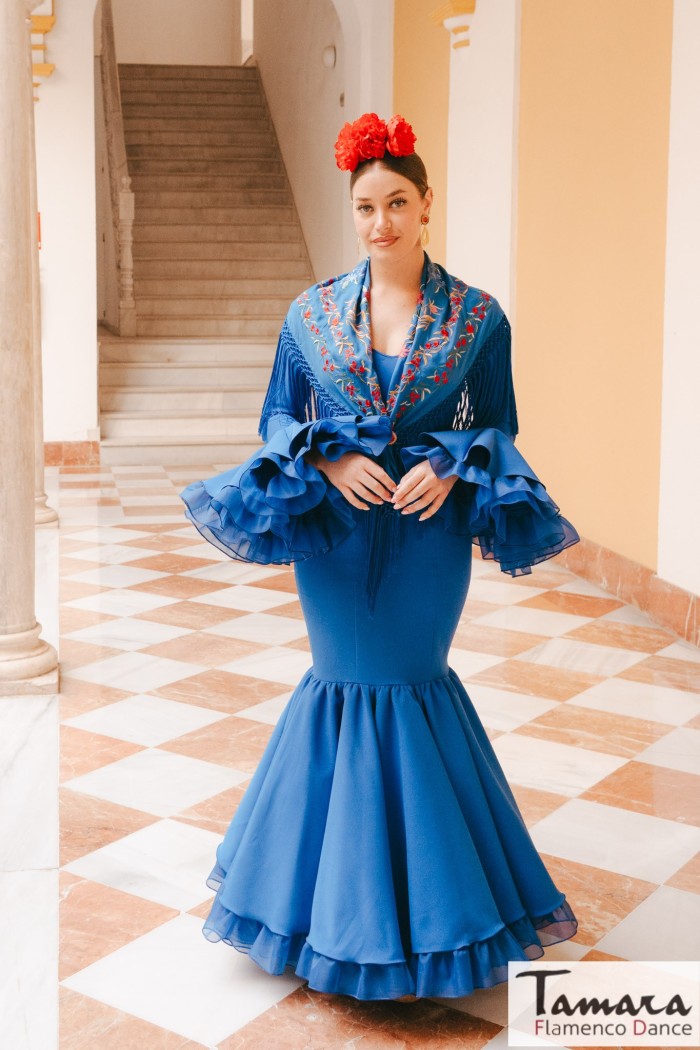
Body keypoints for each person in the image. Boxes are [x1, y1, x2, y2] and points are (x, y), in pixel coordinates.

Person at [180, 113, 580, 1002]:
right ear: (352, 210)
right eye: (365, 206)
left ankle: (434, 910)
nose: (380, 223)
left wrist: (447, 464)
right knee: (339, 679)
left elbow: (497, 424)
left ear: (427, 205)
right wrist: (327, 455)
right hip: (335, 530)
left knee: (413, 678)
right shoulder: (310, 314)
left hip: (430, 533)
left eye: (397, 203)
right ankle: (330, 913)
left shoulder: (480, 318)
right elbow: (275, 421)